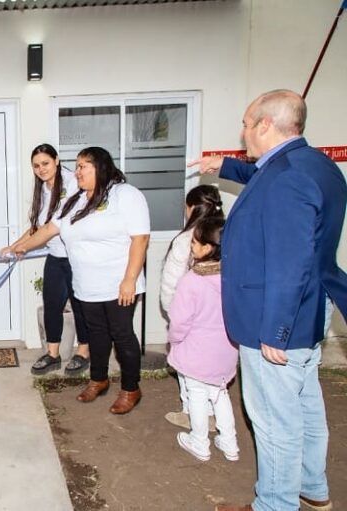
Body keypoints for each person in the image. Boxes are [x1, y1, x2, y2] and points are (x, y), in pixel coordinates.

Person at [191, 90, 345, 511]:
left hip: (277, 319)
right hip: (312, 307)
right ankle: (312, 490)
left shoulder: (287, 178)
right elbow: (264, 177)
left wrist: (276, 328)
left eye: (245, 123)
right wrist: (224, 166)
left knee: (275, 421)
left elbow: (288, 259)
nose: (241, 132)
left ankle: (274, 505)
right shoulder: (316, 166)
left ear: (264, 125)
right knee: (305, 406)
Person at [13, 147, 150, 414]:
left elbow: (140, 239)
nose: (77, 172)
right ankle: (98, 380)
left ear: (100, 167)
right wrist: (21, 247)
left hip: (118, 284)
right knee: (97, 336)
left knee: (122, 337)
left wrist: (129, 280)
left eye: (83, 166)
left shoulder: (125, 195)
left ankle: (131, 389)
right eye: (76, 166)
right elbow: (50, 229)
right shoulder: (75, 200)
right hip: (87, 285)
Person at [0, 143, 91, 376]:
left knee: (80, 307)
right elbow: (38, 227)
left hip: (76, 258)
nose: (41, 169)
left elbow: (53, 227)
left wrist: (23, 248)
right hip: (56, 256)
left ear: (57, 160)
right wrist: (13, 246)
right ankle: (53, 354)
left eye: (45, 163)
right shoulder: (44, 189)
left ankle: (83, 353)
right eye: (36, 166)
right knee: (51, 305)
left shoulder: (72, 183)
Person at [167, 217, 239, 463]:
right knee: (220, 394)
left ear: (208, 248)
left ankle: (199, 442)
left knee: (196, 395)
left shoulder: (192, 281)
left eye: (195, 242)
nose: (192, 246)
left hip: (196, 353)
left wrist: (174, 341)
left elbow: (179, 322)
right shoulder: (232, 278)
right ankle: (230, 443)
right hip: (225, 351)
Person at [160, 185, 224, 430]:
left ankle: (192, 415)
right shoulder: (224, 233)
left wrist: (171, 313)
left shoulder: (189, 240)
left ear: (192, 208)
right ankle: (214, 414)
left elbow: (171, 283)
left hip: (189, 317)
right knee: (214, 369)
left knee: (187, 369)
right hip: (218, 318)